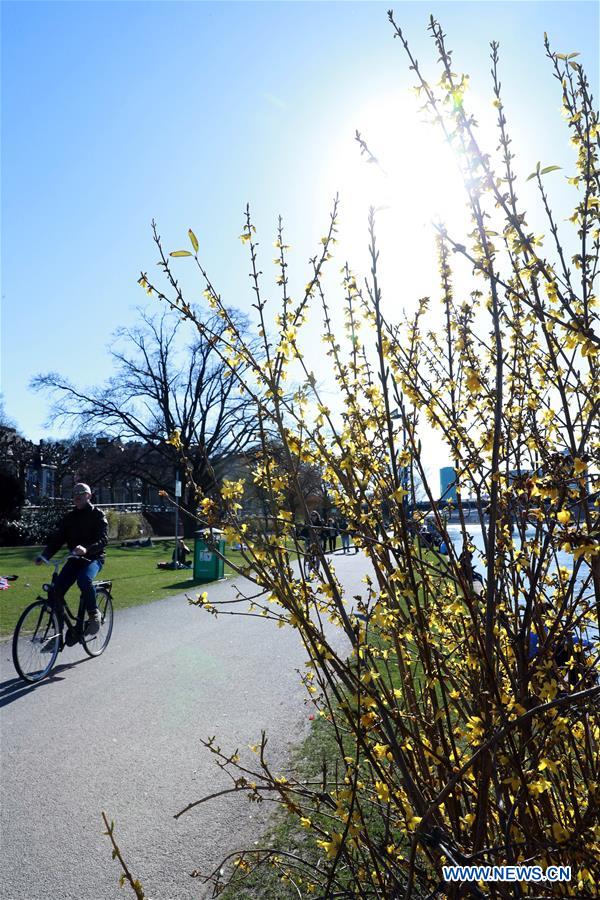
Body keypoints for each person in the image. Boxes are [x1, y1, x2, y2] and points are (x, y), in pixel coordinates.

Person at [35, 483, 108, 634]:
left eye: (81, 493)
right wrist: (44, 555)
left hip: (94, 558)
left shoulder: (98, 514)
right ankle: (58, 632)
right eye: (74, 493)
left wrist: (87, 549)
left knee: (84, 579)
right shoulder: (70, 517)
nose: (77, 496)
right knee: (55, 591)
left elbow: (103, 540)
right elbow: (58, 539)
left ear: (89, 495)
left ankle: (94, 614)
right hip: (75, 559)